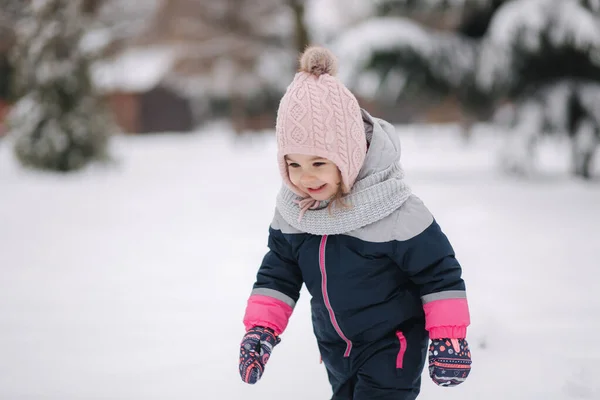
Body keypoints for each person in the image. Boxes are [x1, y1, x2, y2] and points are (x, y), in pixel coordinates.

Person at [238, 46, 472, 400]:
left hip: (393, 345)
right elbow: (279, 272)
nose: (305, 178)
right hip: (336, 347)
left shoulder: (394, 207)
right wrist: (261, 329)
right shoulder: (295, 211)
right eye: (294, 165)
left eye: (319, 163)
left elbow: (439, 271)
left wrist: (448, 335)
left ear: (348, 155)